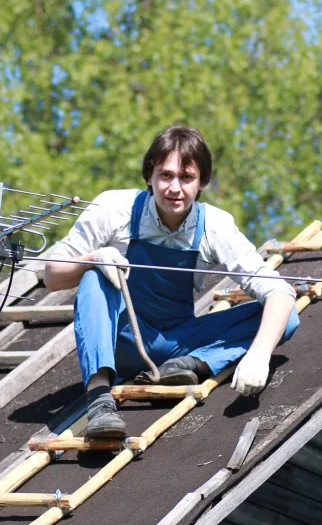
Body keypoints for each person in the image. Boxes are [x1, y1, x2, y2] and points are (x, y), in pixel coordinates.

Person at [42, 126, 299, 439]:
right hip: (123, 339)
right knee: (94, 277)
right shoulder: (113, 209)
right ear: (149, 176)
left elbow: (280, 292)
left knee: (284, 319)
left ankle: (192, 364)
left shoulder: (215, 226)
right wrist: (95, 257)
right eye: (166, 175)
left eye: (186, 178)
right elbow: (52, 275)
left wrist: (259, 354)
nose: (174, 188)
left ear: (202, 182)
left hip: (178, 341)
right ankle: (99, 399)